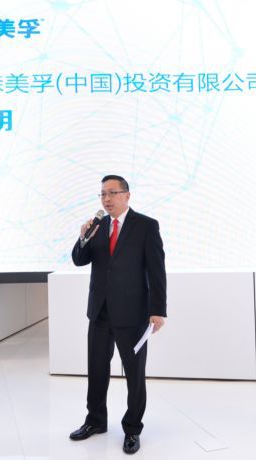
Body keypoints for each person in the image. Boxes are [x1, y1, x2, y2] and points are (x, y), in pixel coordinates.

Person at [69, 175, 167, 455]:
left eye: (112, 193)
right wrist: (83, 237)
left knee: (134, 375)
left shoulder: (146, 226)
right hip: (99, 312)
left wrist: (158, 310)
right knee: (96, 370)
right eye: (102, 194)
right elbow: (78, 260)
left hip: (133, 314)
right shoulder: (97, 226)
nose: (106, 199)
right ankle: (95, 421)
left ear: (127, 195)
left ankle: (132, 429)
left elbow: (156, 270)